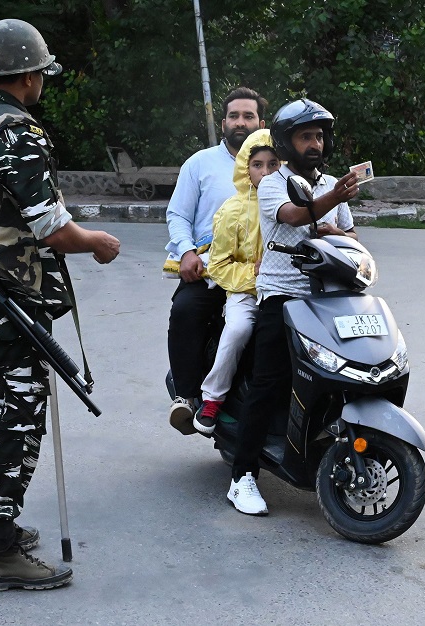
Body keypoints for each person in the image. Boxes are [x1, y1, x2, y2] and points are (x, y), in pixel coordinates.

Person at [0, 19, 120, 591]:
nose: (42, 84)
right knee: (13, 415)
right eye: (42, 74)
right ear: (29, 75)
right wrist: (98, 244)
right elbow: (52, 227)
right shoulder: (16, 130)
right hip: (11, 294)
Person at [226, 99, 359, 515]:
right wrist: (331, 199)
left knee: (346, 372)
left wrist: (342, 232)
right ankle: (242, 477)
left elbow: (352, 239)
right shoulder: (271, 183)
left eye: (319, 136)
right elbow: (293, 216)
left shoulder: (333, 184)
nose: (315, 143)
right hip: (282, 295)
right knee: (270, 381)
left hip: (328, 295)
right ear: (286, 142)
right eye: (306, 136)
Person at [165, 87, 267, 431]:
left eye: (248, 116)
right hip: (209, 265)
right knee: (185, 310)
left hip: (264, 271)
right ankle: (187, 397)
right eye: (234, 116)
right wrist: (187, 251)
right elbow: (177, 215)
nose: (241, 122)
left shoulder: (276, 167)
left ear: (261, 123)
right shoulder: (200, 164)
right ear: (223, 122)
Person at [192, 129, 280, 434]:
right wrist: (255, 274)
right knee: (239, 328)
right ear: (245, 168)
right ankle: (212, 398)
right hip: (245, 292)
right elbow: (218, 265)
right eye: (258, 164)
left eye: (273, 164)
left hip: (287, 288)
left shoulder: (293, 203)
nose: (266, 172)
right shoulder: (232, 210)